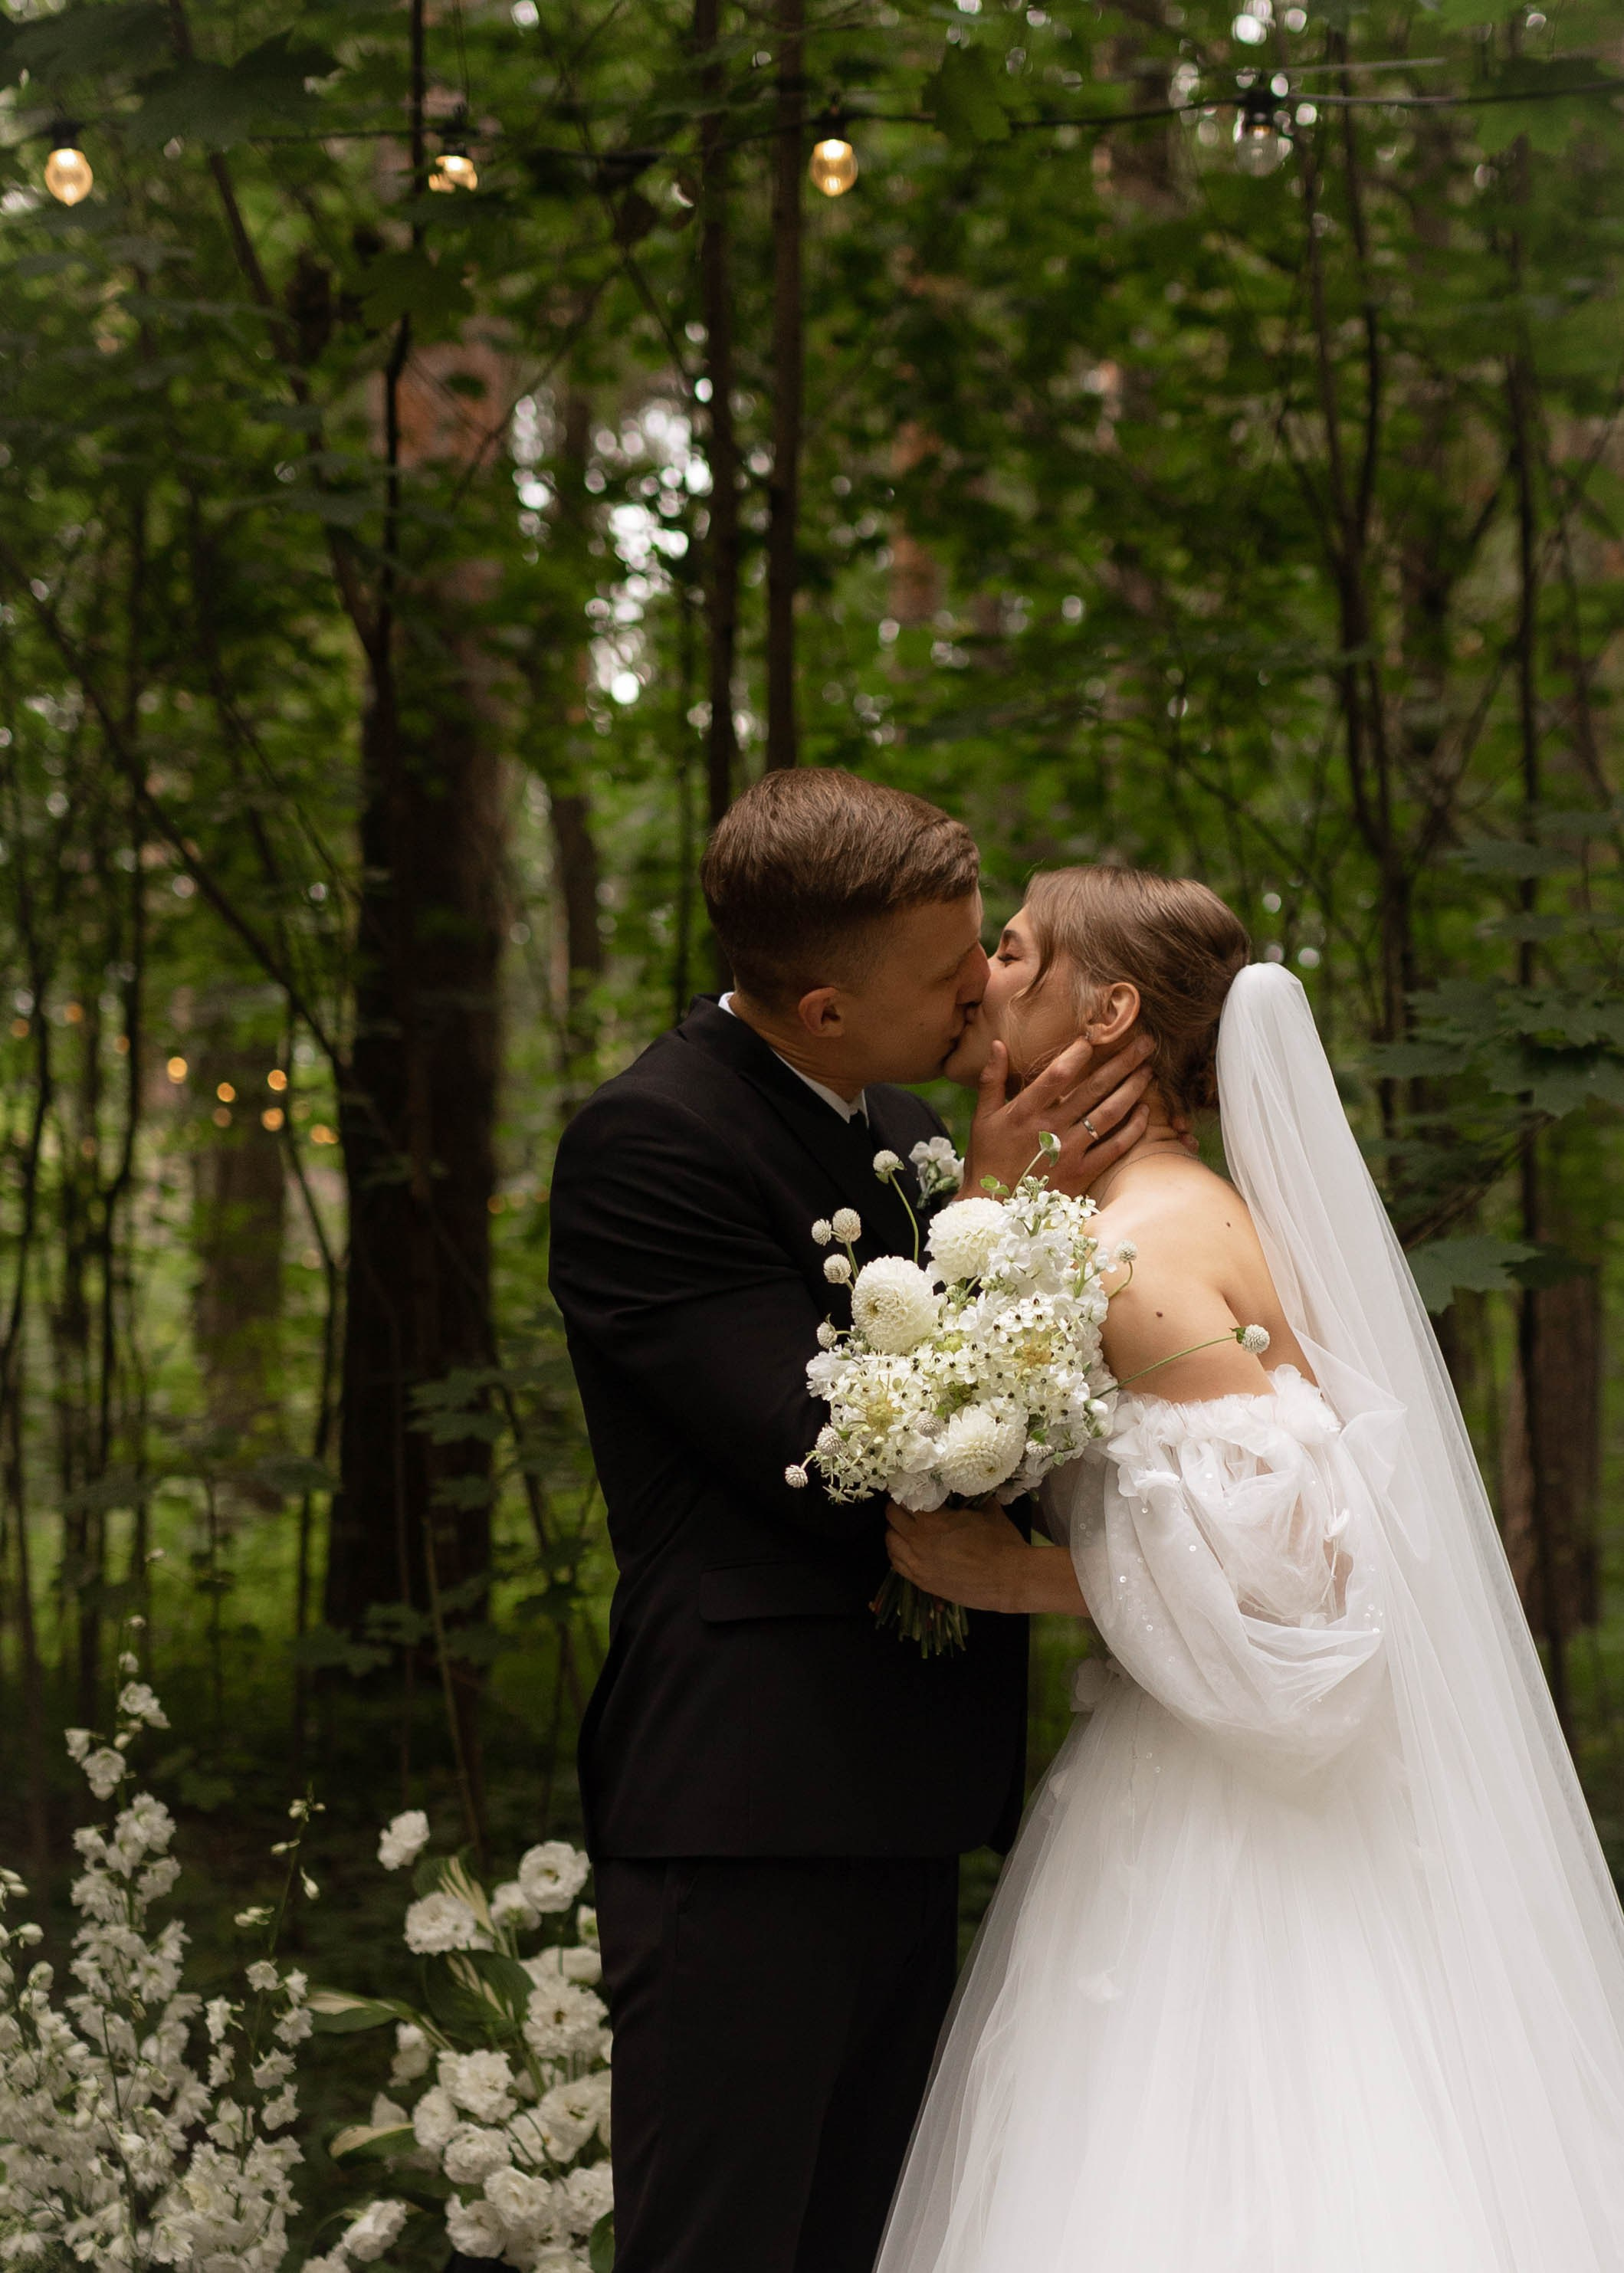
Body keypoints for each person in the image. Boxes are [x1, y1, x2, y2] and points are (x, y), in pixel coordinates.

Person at [874, 865, 1624, 2272]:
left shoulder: (1138, 1250)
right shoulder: (1177, 1210)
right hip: (1195, 1778)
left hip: (1222, 1823)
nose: (984, 971)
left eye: (1017, 950)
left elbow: (1299, 1575)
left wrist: (1025, 1579)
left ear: (1107, 1010)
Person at [546, 774, 1158, 2273]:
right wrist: (1007, 1224)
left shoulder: (895, 1118)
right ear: (822, 1007)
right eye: (949, 973)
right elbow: (835, 1449)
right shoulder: (651, 1141)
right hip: (746, 1802)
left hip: (911, 1782)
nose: (980, 992)